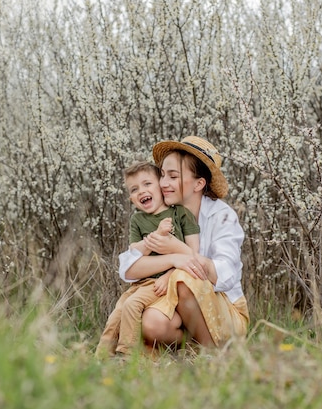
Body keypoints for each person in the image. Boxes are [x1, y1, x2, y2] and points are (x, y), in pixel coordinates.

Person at [118, 136, 249, 351]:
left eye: (173, 176)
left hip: (226, 311)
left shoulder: (222, 216)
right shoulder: (162, 214)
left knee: (183, 278)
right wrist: (172, 258)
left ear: (199, 183)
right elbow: (128, 268)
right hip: (179, 307)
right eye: (162, 175)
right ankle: (191, 347)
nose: (163, 184)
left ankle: (214, 355)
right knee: (151, 323)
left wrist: (179, 250)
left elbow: (226, 275)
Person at [96, 160, 200, 358]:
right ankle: (101, 357)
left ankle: (127, 355)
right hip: (141, 283)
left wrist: (168, 276)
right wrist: (156, 236)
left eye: (147, 184)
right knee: (116, 315)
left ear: (160, 186)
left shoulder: (180, 213)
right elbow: (134, 252)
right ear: (132, 199)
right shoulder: (138, 220)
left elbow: (191, 255)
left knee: (132, 306)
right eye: (134, 189)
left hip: (163, 282)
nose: (141, 191)